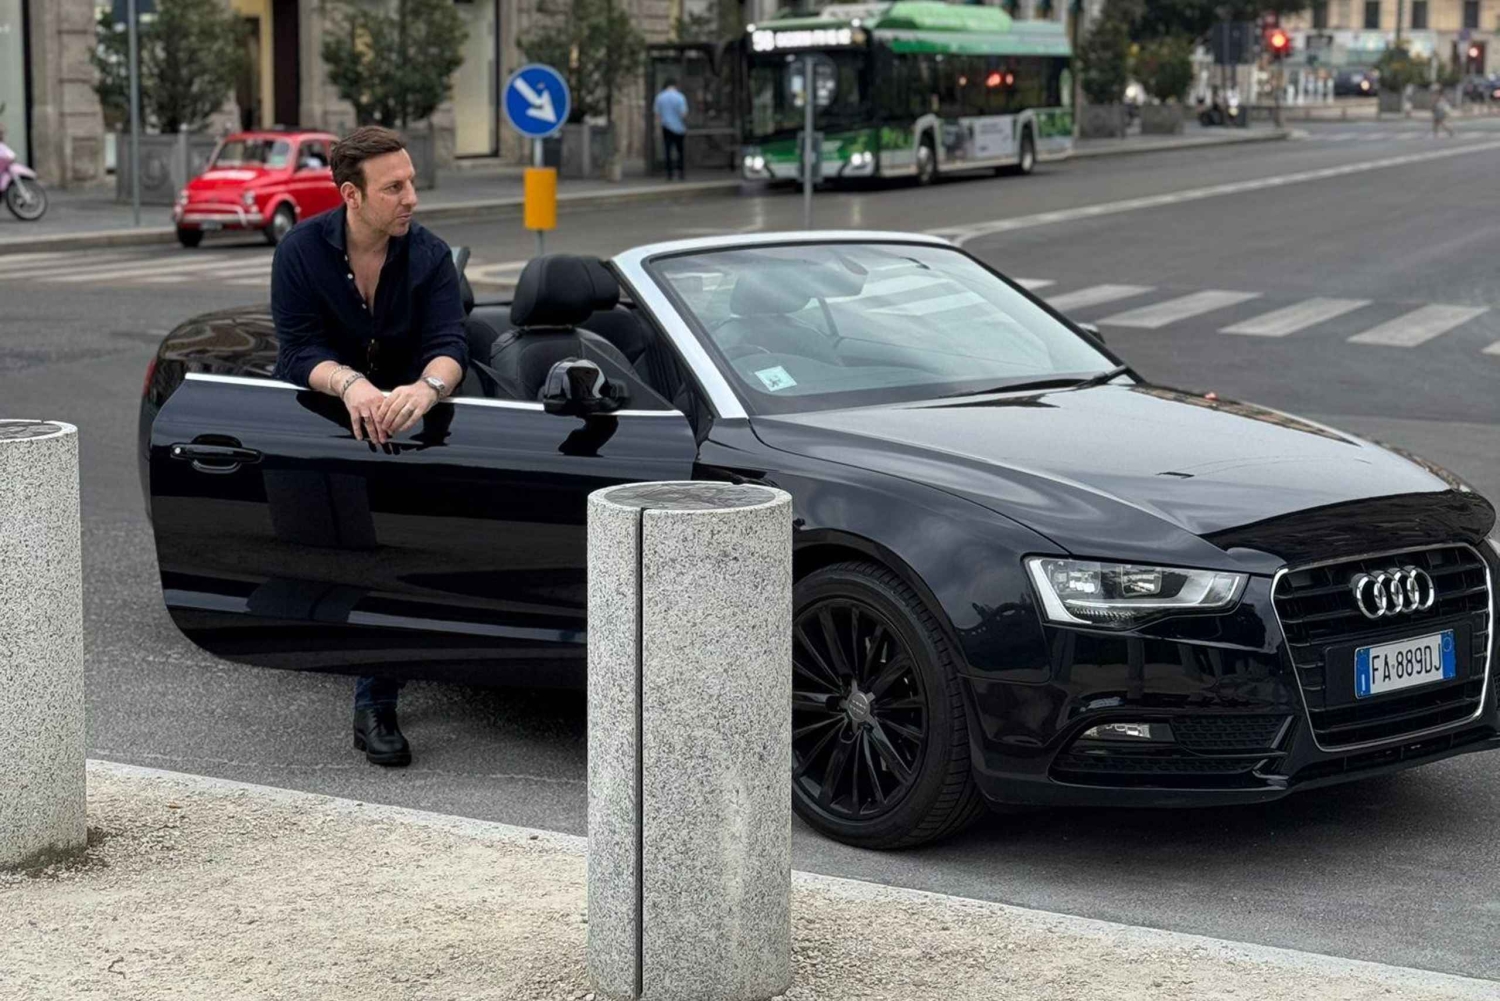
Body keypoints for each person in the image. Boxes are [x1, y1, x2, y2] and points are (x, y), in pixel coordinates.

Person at [270, 125, 467, 768]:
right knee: (354, 555)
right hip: (329, 420)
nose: (412, 197)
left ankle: (379, 692)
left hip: (411, 424)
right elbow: (297, 350)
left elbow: (451, 345)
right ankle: (368, 688)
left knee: (403, 555)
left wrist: (427, 388)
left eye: (411, 182)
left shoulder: (429, 254)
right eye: (394, 187)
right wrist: (350, 384)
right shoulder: (300, 251)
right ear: (351, 195)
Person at [654, 78, 689, 180]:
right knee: (680, 151)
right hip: (679, 128)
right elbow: (683, 113)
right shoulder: (680, 97)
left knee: (668, 150)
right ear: (675, 85)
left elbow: (657, 114)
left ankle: (669, 174)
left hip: (666, 127)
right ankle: (681, 173)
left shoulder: (660, 97)